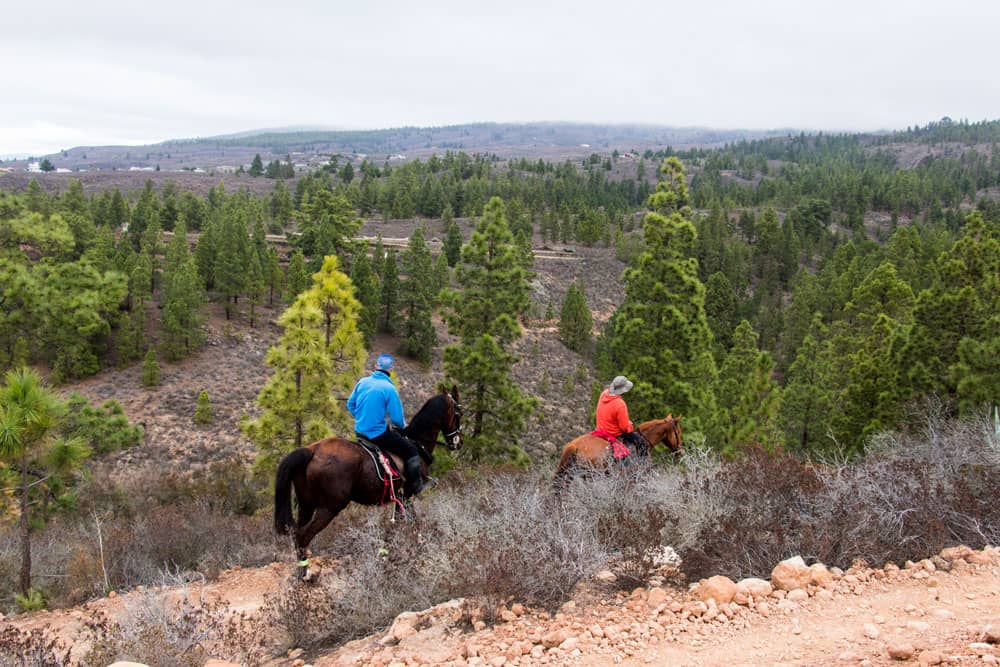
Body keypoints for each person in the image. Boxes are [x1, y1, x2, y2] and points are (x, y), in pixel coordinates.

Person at [346, 353, 425, 496]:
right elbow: (397, 419)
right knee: (411, 449)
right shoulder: (389, 388)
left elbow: (350, 404)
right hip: (377, 435)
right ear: (391, 369)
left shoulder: (363, 382)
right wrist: (404, 427)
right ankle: (416, 486)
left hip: (360, 432)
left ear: (376, 366)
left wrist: (362, 417)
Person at [594, 375, 648, 459]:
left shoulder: (603, 394)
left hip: (600, 429)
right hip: (613, 433)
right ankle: (643, 467)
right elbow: (624, 428)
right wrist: (630, 425)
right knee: (642, 443)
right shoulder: (620, 404)